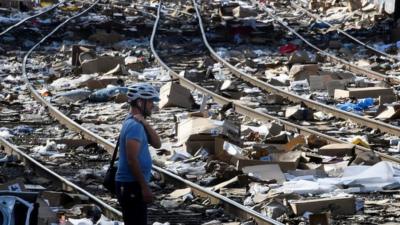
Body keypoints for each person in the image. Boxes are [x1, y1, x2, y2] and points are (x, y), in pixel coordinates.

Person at [115, 83, 161, 225]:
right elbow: (132, 160)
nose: (152, 105)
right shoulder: (134, 126)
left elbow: (157, 144)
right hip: (131, 185)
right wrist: (144, 187)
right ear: (140, 102)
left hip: (131, 185)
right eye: (150, 101)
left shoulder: (137, 123)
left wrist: (146, 123)